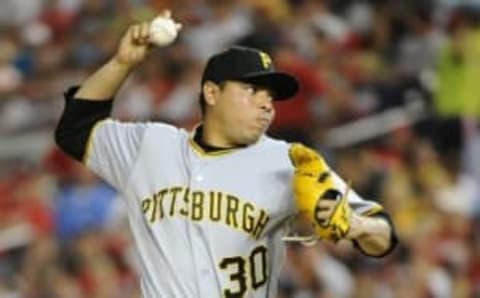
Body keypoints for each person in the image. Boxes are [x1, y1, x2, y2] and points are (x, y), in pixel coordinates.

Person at [55, 11, 397, 298]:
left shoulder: (289, 161)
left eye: (271, 96)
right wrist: (121, 63)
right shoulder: (151, 147)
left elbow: (386, 237)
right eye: (252, 90)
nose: (266, 103)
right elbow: (74, 130)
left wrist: (356, 224)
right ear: (212, 92)